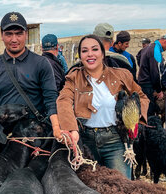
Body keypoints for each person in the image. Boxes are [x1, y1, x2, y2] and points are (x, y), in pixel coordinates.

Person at [56, 34, 149, 177]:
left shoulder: (121, 75)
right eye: (85, 50)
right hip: (85, 140)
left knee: (122, 188)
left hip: (115, 140)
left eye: (94, 49)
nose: (90, 54)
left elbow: (141, 96)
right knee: (91, 189)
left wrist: (134, 118)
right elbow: (63, 101)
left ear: (102, 53)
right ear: (80, 55)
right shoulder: (74, 78)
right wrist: (71, 129)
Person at [0, 12, 59, 128]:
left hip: (36, 133)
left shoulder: (41, 63)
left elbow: (51, 99)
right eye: (9, 34)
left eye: (19, 34)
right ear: (2, 35)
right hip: (6, 134)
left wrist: (56, 126)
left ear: (26, 35)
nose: (14, 39)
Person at [138, 33, 166, 116]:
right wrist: (159, 90)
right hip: (149, 86)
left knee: (144, 111)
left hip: (143, 84)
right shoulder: (155, 50)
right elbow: (156, 73)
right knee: (149, 113)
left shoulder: (148, 47)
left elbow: (138, 56)